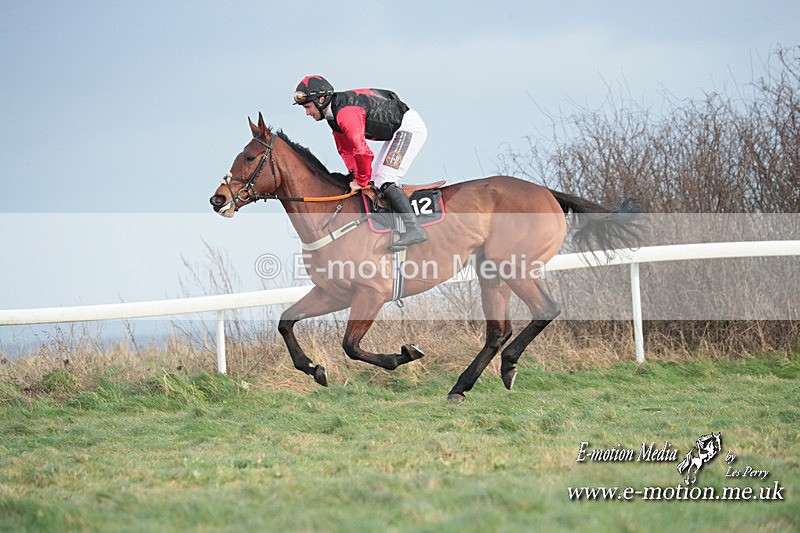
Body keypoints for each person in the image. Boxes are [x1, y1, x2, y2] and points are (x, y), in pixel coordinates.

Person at [293, 75, 428, 250]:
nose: (307, 113)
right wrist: (355, 176)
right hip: (396, 130)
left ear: (321, 100)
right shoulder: (333, 117)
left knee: (385, 178)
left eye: (308, 107)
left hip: (408, 128)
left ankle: (414, 229)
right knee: (377, 179)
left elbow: (362, 151)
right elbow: (346, 150)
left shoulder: (345, 114)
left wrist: (362, 182)